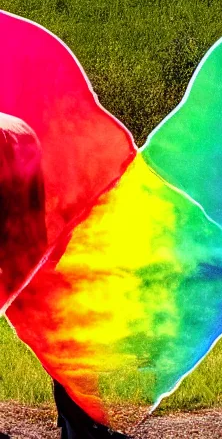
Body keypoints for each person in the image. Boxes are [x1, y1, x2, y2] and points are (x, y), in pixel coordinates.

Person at [0, 112, 129, 439]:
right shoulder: (19, 130)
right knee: (49, 302)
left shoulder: (16, 133)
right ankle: (82, 421)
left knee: (45, 298)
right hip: (17, 149)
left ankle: (82, 421)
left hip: (14, 152)